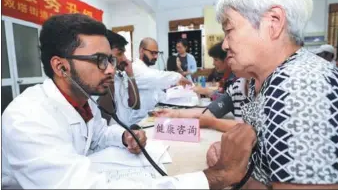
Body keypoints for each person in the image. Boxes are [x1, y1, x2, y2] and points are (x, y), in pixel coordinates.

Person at [1, 13, 257, 189]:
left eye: (110, 59)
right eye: (100, 60)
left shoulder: (85, 100)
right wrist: (209, 179)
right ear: (61, 67)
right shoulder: (27, 118)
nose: (111, 69)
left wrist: (123, 137)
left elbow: (99, 134)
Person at [214, 0, 338, 189]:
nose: (224, 45)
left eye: (229, 30)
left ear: (273, 22)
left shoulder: (300, 86)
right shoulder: (259, 82)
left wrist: (231, 173)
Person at [129, 37, 192, 125]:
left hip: (148, 118)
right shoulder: (135, 68)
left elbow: (157, 94)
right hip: (136, 122)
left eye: (157, 53)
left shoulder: (147, 69)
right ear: (142, 51)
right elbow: (155, 78)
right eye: (152, 53)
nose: (155, 57)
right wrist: (178, 77)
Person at [97, 30, 140, 125]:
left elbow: (135, 104)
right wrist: (109, 76)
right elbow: (104, 117)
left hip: (124, 132)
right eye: (120, 54)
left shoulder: (119, 75)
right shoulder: (99, 80)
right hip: (110, 136)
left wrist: (130, 75)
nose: (124, 58)